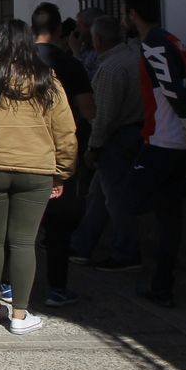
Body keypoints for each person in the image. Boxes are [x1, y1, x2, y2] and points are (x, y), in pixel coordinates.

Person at [0, 20, 79, 335]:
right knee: (23, 241)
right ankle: (19, 314)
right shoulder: (48, 81)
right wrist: (63, 171)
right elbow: (66, 132)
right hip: (35, 169)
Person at [124, 0, 186, 308]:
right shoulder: (173, 41)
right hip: (177, 136)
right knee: (168, 218)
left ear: (133, 14)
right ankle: (162, 286)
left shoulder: (155, 45)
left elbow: (175, 89)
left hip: (166, 138)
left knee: (133, 198)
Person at [32, 2, 96, 308]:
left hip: (23, 150)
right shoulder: (70, 65)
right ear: (59, 31)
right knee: (58, 226)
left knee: (20, 226)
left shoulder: (17, 63)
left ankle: (9, 286)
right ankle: (56, 288)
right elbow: (88, 110)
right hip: (59, 152)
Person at [70, 14, 143, 271]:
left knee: (114, 197)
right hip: (131, 132)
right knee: (98, 194)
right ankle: (82, 244)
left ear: (98, 40)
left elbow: (103, 116)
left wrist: (94, 147)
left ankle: (126, 252)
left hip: (117, 138)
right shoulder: (132, 55)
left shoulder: (111, 69)